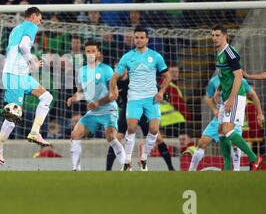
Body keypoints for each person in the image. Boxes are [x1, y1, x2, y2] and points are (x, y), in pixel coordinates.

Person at [0, 7, 54, 165]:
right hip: (14, 75)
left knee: (47, 96)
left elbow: (18, 50)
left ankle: (34, 132)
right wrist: (32, 61)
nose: (39, 24)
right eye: (39, 20)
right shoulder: (30, 26)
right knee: (14, 114)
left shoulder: (16, 29)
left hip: (21, 75)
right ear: (33, 16)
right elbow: (23, 46)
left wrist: (30, 63)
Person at [109, 25, 171, 171]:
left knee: (154, 130)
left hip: (151, 99)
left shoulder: (156, 56)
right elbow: (113, 79)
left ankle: (143, 159)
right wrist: (115, 89)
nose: (139, 40)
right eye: (136, 37)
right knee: (131, 127)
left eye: (142, 37)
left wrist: (161, 92)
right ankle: (127, 161)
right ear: (134, 39)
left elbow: (167, 76)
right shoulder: (127, 57)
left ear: (147, 39)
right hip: (134, 98)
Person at [209, 25, 262, 171]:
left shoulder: (230, 53)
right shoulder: (218, 52)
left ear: (225, 36)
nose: (214, 38)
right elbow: (225, 75)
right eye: (213, 35)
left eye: (217, 35)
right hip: (226, 95)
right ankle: (227, 167)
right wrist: (218, 90)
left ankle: (254, 158)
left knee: (227, 130)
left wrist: (232, 98)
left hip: (236, 96)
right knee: (220, 130)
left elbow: (238, 76)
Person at [67, 40, 125, 171]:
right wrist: (74, 97)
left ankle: (126, 165)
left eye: (93, 51)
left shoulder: (107, 70)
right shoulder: (82, 71)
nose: (91, 54)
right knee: (75, 135)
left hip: (108, 110)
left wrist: (98, 103)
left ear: (98, 53)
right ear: (85, 53)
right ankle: (76, 169)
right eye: (88, 51)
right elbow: (81, 92)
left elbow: (114, 94)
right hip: (93, 113)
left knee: (110, 137)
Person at [189, 74, 264, 171]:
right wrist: (214, 110)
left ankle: (237, 170)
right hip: (220, 115)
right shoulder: (214, 81)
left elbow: (253, 94)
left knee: (234, 142)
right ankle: (191, 171)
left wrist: (260, 113)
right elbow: (208, 98)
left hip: (233, 114)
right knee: (203, 142)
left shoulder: (239, 80)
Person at [158, 62, 191, 137]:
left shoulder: (164, 85)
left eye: (176, 72)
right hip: (175, 120)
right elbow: (178, 104)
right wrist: (187, 116)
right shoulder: (169, 87)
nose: (175, 74)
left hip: (166, 121)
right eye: (172, 72)